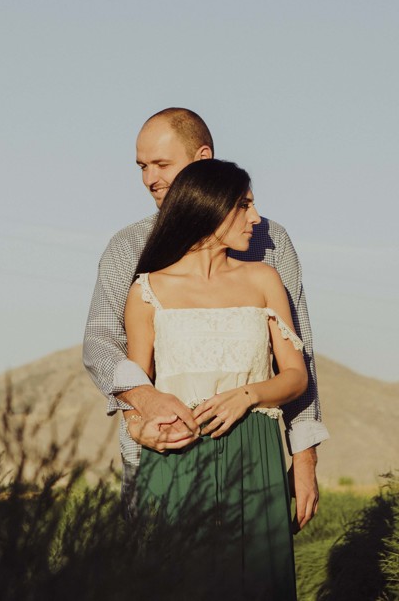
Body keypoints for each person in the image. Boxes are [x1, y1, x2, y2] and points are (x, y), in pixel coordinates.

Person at [82, 107, 328, 529]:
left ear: (202, 159)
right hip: (157, 453)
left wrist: (304, 457)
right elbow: (102, 342)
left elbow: (297, 353)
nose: (148, 179)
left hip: (256, 452)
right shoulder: (128, 247)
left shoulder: (269, 244)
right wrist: (143, 408)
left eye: (161, 164)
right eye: (142, 166)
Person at [125, 158, 305, 598]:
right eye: (243, 205)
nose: (256, 218)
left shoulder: (264, 279)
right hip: (177, 459)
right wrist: (141, 430)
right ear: (210, 208)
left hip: (257, 452)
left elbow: (297, 377)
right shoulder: (146, 290)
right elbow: (134, 395)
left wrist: (247, 395)